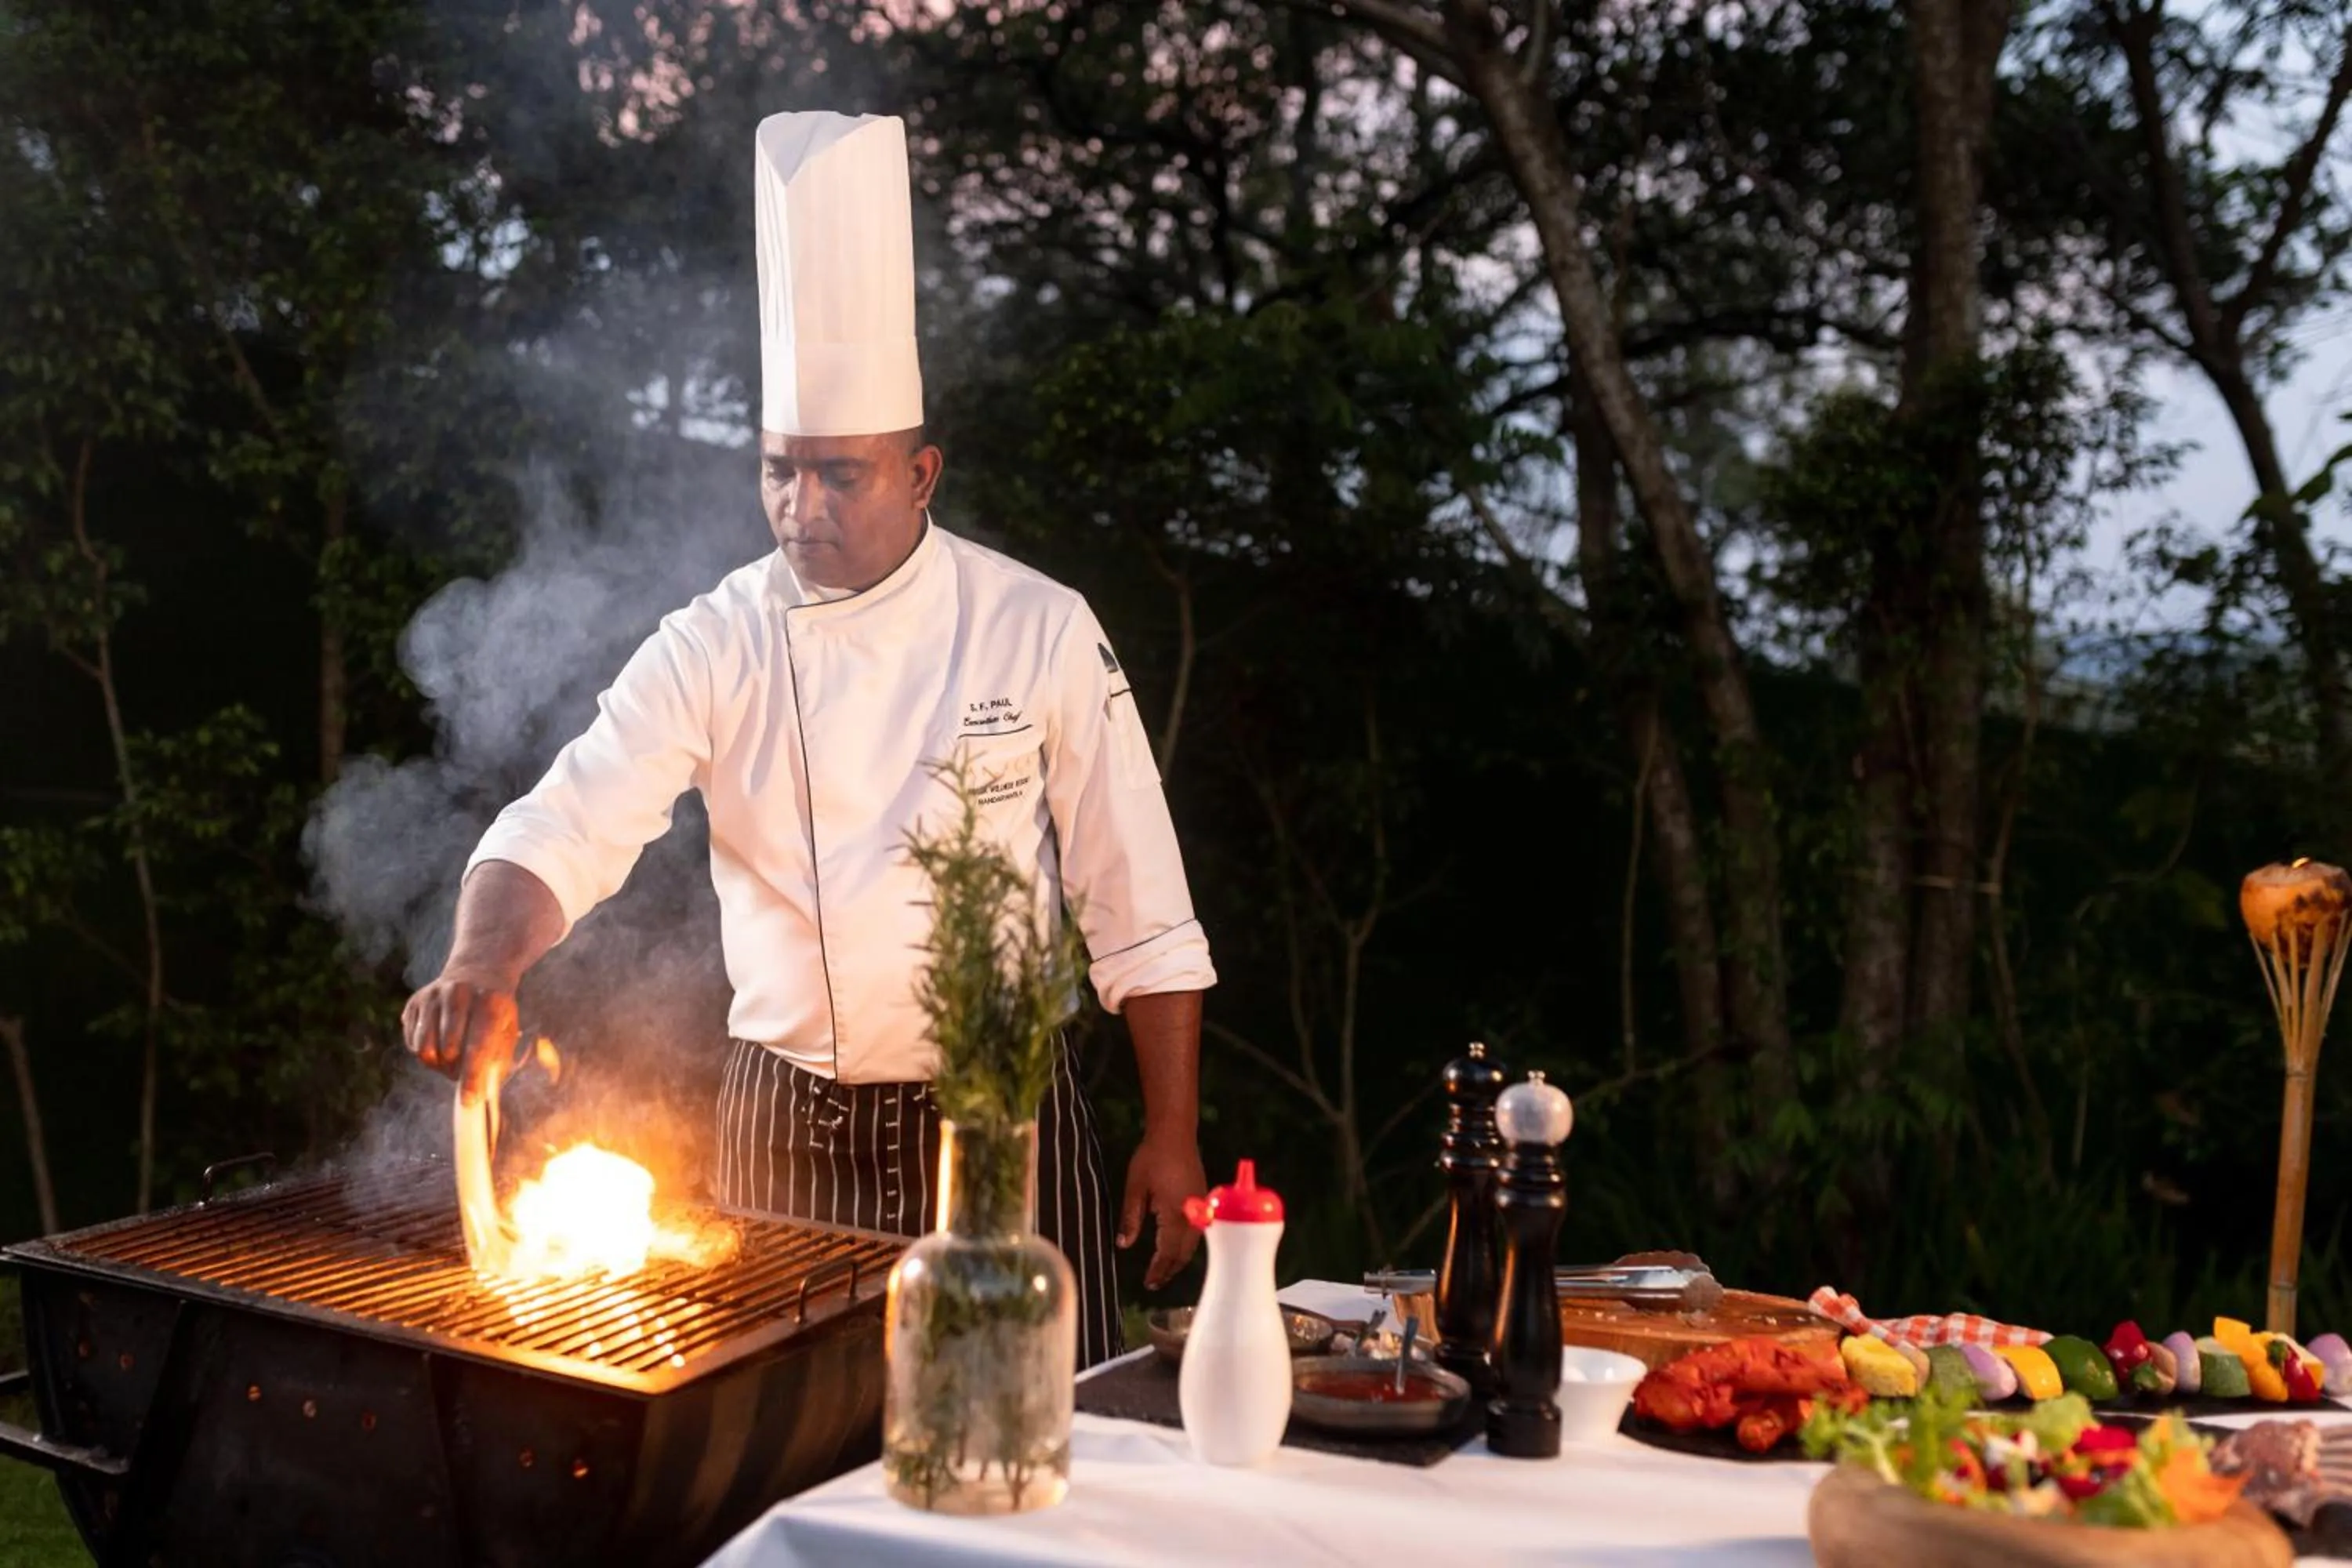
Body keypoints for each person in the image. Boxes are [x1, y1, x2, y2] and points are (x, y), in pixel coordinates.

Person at [399, 111, 1215, 1369]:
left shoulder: (1036, 626)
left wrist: (1175, 1132)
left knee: (1035, 1451)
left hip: (996, 1116)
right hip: (784, 1127)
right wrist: (481, 963)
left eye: (841, 475)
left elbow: (1141, 908)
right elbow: (570, 822)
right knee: (792, 1467)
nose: (801, 506)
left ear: (922, 471)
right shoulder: (718, 637)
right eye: (781, 471)